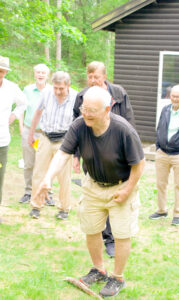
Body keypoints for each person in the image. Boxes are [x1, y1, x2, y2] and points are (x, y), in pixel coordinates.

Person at [33, 86, 145, 298]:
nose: (86, 113)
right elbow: (63, 154)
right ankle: (99, 269)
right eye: (84, 108)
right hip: (93, 185)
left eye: (92, 110)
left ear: (107, 109)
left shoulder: (124, 130)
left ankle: (117, 278)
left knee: (121, 234)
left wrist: (127, 190)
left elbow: (139, 164)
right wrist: (47, 178)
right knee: (91, 229)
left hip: (121, 187)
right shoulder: (79, 126)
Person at [73, 61, 135, 258]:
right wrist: (76, 155)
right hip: (92, 155)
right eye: (89, 76)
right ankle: (102, 235)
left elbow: (129, 121)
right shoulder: (81, 96)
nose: (92, 80)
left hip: (117, 157)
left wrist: (130, 151)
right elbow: (75, 126)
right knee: (96, 193)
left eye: (96, 77)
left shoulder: (118, 93)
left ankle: (112, 239)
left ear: (104, 77)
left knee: (114, 196)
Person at [28, 71, 78, 219]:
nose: (57, 91)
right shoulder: (47, 93)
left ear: (68, 86)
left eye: (61, 89)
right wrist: (31, 133)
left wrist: (77, 148)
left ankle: (64, 208)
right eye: (55, 87)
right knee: (39, 173)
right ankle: (36, 206)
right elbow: (37, 113)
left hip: (65, 140)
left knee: (64, 177)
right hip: (45, 137)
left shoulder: (76, 97)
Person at [149, 84, 179, 226]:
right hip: (162, 154)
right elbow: (159, 129)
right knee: (161, 184)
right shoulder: (165, 110)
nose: (175, 99)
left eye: (178, 96)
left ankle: (178, 213)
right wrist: (158, 146)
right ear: (169, 96)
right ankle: (161, 210)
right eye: (173, 96)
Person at [19, 64, 55, 205]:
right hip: (29, 131)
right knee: (29, 163)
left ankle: (48, 193)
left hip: (46, 133)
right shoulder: (27, 90)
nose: (40, 75)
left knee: (47, 165)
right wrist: (22, 127)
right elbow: (21, 109)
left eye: (43, 73)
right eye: (38, 72)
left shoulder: (53, 90)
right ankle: (28, 192)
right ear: (34, 74)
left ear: (47, 75)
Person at [0, 56, 27, 205]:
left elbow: (23, 103)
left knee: (0, 176)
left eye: (2, 71)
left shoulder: (11, 88)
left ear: (5, 72)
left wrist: (14, 115)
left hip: (2, 140)